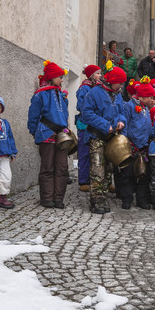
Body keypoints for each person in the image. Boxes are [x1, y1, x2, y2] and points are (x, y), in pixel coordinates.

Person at [81, 65, 127, 214]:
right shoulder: (94, 93)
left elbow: (121, 112)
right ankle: (96, 201)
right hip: (97, 137)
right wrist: (104, 125)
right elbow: (86, 113)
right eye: (120, 83)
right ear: (112, 81)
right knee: (97, 169)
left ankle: (103, 197)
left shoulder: (117, 94)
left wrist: (121, 120)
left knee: (108, 170)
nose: (121, 86)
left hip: (111, 138)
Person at [27, 61, 71, 209]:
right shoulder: (40, 95)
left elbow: (65, 115)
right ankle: (47, 198)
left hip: (61, 137)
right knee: (47, 167)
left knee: (62, 167)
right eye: (59, 77)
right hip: (46, 134)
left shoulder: (61, 95)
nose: (62, 80)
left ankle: (58, 198)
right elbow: (33, 117)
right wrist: (36, 133)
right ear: (51, 77)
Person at [117, 82, 154, 210]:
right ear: (143, 96)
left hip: (144, 146)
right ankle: (127, 199)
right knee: (128, 174)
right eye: (150, 97)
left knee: (143, 174)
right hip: (131, 145)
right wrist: (126, 140)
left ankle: (142, 200)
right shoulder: (129, 106)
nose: (152, 100)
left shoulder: (145, 108)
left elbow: (148, 125)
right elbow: (125, 124)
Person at [75, 64, 102, 191]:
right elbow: (82, 106)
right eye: (97, 73)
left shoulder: (95, 87)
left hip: (93, 124)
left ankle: (94, 178)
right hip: (84, 125)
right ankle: (83, 180)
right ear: (91, 75)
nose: (100, 76)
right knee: (84, 153)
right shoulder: (84, 88)